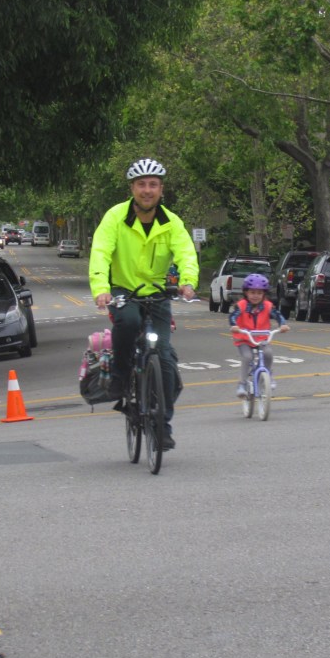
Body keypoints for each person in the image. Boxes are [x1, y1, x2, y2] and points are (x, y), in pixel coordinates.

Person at [88, 157, 199, 450]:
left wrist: (188, 282)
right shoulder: (114, 217)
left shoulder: (172, 222)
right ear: (132, 188)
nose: (147, 190)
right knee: (129, 322)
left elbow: (186, 253)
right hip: (123, 290)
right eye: (141, 184)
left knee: (164, 360)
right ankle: (123, 373)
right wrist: (101, 289)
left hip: (158, 294)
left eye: (153, 185)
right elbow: (100, 252)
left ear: (161, 189)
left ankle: (162, 424)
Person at [229, 273, 290, 397]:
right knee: (247, 357)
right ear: (246, 292)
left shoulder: (268, 306)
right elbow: (233, 316)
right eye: (252, 292)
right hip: (244, 338)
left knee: (268, 354)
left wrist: (282, 324)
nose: (255, 296)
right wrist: (234, 325)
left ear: (264, 294)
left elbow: (277, 315)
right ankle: (242, 383)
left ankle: (268, 375)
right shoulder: (241, 305)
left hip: (262, 338)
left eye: (259, 293)